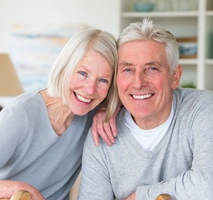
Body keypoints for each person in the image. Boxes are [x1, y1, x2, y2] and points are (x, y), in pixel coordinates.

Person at [0, 28, 118, 200]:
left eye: (103, 80)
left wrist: (108, 109)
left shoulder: (94, 115)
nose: (90, 89)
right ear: (65, 67)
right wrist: (13, 188)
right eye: (83, 73)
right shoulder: (21, 114)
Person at [78, 18, 213, 200]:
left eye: (151, 68)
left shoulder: (204, 110)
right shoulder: (101, 134)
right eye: (127, 70)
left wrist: (139, 197)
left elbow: (208, 186)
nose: (138, 82)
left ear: (175, 76)